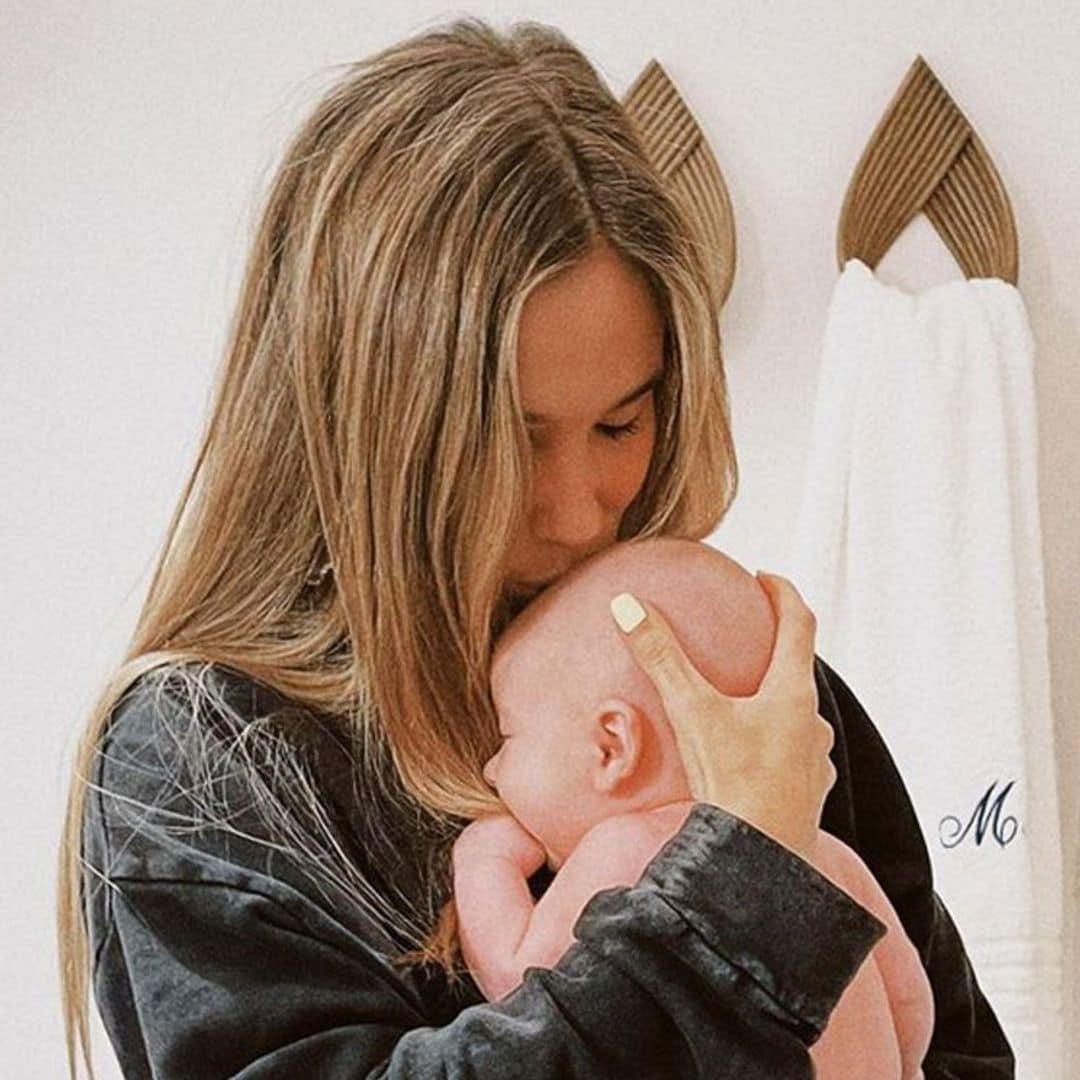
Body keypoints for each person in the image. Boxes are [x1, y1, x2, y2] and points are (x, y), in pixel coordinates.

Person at [57, 15, 1015, 1079]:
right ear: (366, 426)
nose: (578, 512)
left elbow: (955, 1056)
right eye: (510, 438)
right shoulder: (207, 759)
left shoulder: (719, 687)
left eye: (622, 423)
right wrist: (732, 885)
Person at [452, 536, 934, 1079]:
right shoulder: (829, 855)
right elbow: (913, 1010)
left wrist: (483, 859)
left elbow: (522, 990)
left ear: (612, 746)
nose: (492, 771)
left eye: (507, 738)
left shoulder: (626, 850)